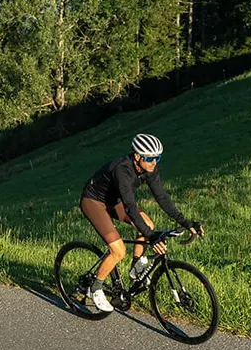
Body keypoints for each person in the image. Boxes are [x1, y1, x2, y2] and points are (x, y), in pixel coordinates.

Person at [78, 132, 202, 312]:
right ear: (137, 156)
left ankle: (136, 268)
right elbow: (130, 207)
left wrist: (185, 222)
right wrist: (151, 238)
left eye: (157, 158)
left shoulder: (149, 168)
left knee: (148, 225)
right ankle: (96, 287)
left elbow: (161, 197)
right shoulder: (122, 170)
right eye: (149, 158)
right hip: (94, 201)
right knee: (118, 251)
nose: (154, 162)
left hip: (115, 201)